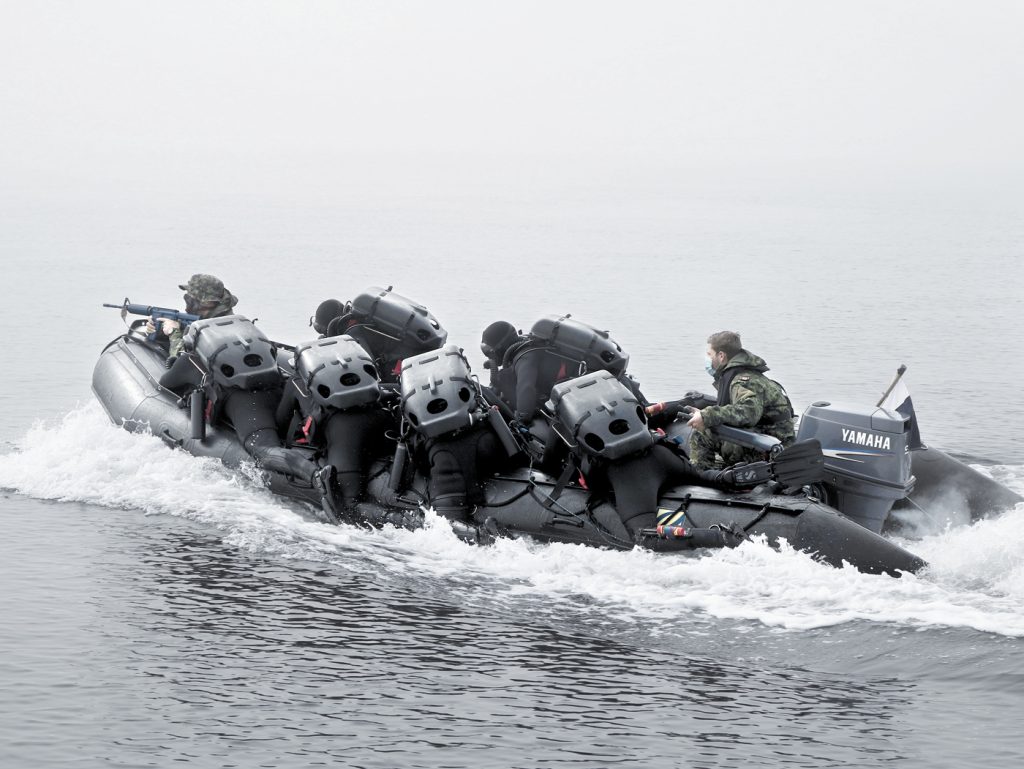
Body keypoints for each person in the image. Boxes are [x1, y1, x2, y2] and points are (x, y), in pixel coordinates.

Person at [686, 331, 795, 469]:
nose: (707, 359)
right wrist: (703, 415)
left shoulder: (742, 381)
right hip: (768, 437)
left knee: (701, 434)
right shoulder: (743, 374)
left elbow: (748, 412)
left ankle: (703, 477)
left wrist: (707, 415)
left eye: (709, 354)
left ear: (721, 356)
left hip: (770, 448)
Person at [147, 274, 239, 363]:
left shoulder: (217, 331)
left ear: (207, 302)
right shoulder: (209, 319)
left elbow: (181, 363)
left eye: (191, 300)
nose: (188, 304)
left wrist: (173, 332)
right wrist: (160, 330)